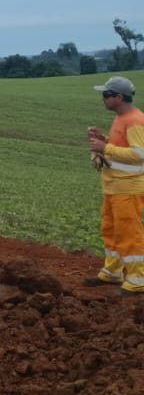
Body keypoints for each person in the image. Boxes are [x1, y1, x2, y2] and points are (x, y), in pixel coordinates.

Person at [86, 75, 144, 296]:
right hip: (115, 187)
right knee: (110, 230)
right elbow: (123, 147)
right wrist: (105, 141)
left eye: (106, 95)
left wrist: (105, 148)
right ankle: (113, 272)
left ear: (118, 97)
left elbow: (140, 154)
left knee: (130, 233)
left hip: (128, 189)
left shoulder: (135, 120)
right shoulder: (121, 118)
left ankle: (138, 280)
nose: (103, 99)